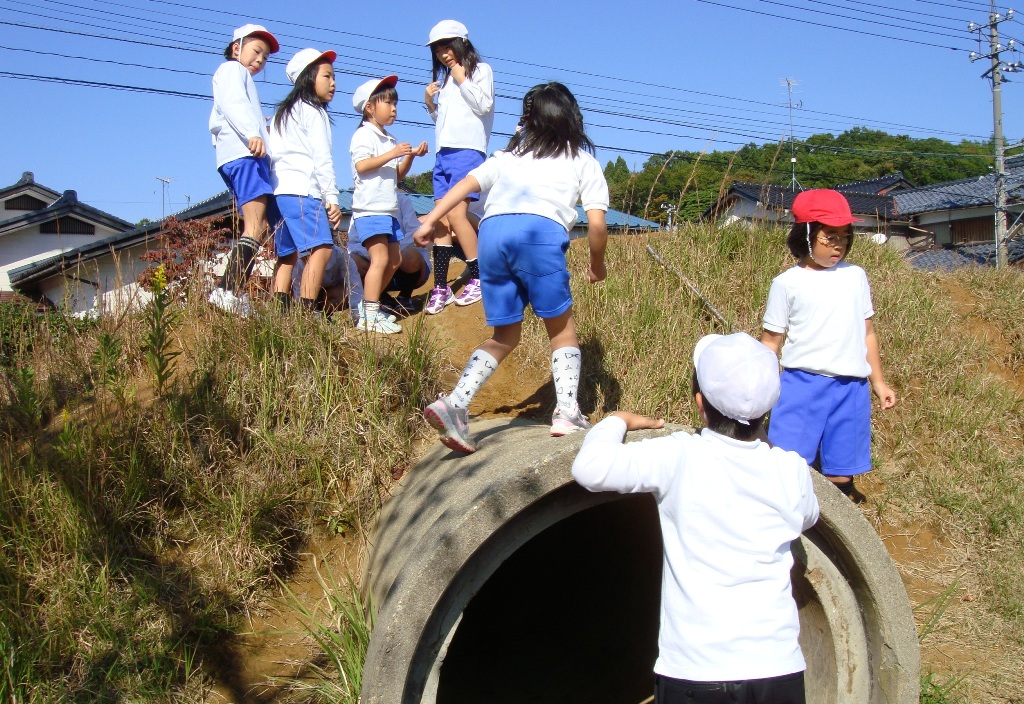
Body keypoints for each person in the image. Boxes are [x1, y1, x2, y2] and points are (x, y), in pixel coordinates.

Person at [572, 332, 820, 704]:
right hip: (777, 667)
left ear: (699, 402)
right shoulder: (790, 469)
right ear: (768, 409)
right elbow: (808, 517)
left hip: (696, 670)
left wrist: (616, 420)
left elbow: (589, 468)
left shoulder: (680, 456)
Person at [413, 82, 608, 453]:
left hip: (491, 236)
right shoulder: (582, 160)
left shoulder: (508, 156)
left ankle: (455, 404)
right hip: (539, 235)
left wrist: (431, 221)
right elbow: (597, 225)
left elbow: (464, 185)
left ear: (528, 120)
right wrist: (596, 265)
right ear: (571, 117)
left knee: (505, 335)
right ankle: (567, 412)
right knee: (562, 332)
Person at [761, 189, 897, 499]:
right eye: (830, 237)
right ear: (806, 234)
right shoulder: (786, 283)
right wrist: (761, 388)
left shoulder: (855, 276)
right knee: (788, 464)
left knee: (842, 466)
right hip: (801, 384)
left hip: (851, 387)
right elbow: (771, 342)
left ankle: (840, 507)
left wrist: (878, 383)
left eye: (845, 237)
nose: (839, 245)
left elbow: (867, 333)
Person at [422, 19, 495, 314]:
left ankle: (479, 276)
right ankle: (441, 287)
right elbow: (447, 122)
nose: (443, 54)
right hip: (443, 153)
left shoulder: (480, 71)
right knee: (441, 219)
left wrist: (463, 78)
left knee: (456, 213)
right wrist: (430, 104)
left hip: (468, 150)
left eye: (447, 47)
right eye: (438, 50)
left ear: (462, 43)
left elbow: (483, 105)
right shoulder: (448, 81)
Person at [208, 23, 280, 315]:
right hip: (245, 155)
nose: (260, 60)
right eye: (256, 51)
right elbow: (233, 103)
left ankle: (231, 291)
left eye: (265, 57)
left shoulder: (240, 77)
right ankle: (227, 290)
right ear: (236, 47)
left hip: (244, 155)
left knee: (259, 227)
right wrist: (253, 132)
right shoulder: (231, 70)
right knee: (254, 226)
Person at [350, 75, 429, 333]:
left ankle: (368, 307)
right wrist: (393, 154)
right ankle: (370, 314)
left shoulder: (389, 138)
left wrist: (410, 157)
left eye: (395, 104)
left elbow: (397, 175)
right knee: (381, 258)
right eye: (388, 103)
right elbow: (362, 166)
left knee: (394, 260)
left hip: (388, 210)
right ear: (369, 108)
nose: (394, 109)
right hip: (371, 210)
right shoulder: (364, 134)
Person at [268, 48, 342, 313]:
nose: (333, 83)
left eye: (334, 77)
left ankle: (279, 315)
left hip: (279, 193)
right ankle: (307, 315)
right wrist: (332, 197)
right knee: (321, 249)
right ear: (308, 78)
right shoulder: (313, 111)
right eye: (327, 76)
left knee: (287, 255)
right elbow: (322, 158)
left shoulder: (282, 113)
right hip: (303, 191)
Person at [347, 191, 431, 320]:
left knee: (409, 256)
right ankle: (382, 298)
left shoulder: (401, 200)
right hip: (374, 264)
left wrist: (391, 252)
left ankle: (405, 296)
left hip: (404, 266)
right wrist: (377, 255)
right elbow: (353, 242)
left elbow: (414, 232)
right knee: (352, 262)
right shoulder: (360, 204)